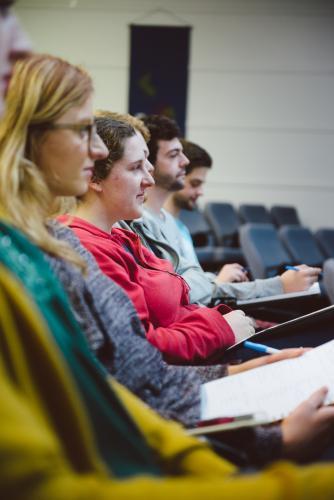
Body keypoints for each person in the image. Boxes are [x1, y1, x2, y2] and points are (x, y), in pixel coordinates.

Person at [1, 38, 334, 500]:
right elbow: (122, 402)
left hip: (183, 423)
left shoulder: (50, 244)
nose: (97, 148)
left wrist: (248, 382)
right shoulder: (50, 253)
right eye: (82, 130)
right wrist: (267, 455)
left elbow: (126, 389)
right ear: (26, 132)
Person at [61, 114, 257, 363]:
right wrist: (220, 329)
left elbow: (177, 311)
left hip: (203, 348)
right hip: (180, 371)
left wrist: (223, 322)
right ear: (94, 178)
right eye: (135, 168)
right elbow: (141, 350)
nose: (149, 180)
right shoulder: (88, 248)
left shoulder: (121, 236)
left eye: (147, 166)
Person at [122, 114, 321, 306]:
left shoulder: (171, 223)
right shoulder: (139, 224)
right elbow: (182, 292)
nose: (185, 161)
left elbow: (195, 284)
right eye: (174, 155)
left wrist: (211, 283)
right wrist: (276, 286)